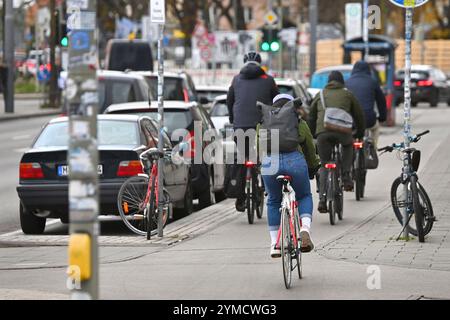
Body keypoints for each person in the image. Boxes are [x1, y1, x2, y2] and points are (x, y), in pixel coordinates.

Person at [260, 93, 320, 258]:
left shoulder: (263, 124)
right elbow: (309, 149)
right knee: (304, 196)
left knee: (273, 200)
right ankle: (304, 229)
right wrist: (313, 168)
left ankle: (275, 244)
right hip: (295, 162)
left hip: (270, 164)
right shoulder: (300, 124)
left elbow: (259, 149)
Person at [226, 51, 279, 212]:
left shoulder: (236, 79)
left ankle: (240, 199)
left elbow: (230, 100)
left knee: (243, 159)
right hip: (262, 126)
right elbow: (276, 101)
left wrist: (232, 118)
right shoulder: (268, 80)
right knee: (265, 157)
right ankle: (265, 187)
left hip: (240, 125)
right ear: (260, 63)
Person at [308, 71, 365, 213]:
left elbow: (311, 116)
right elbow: (358, 115)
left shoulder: (320, 94)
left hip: (323, 133)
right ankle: (346, 176)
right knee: (347, 145)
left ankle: (322, 199)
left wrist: (314, 133)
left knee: (324, 164)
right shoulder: (347, 94)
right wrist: (359, 133)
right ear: (342, 82)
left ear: (328, 81)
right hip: (342, 132)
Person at [345, 60, 387, 147]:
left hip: (351, 120)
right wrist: (382, 117)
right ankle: (373, 149)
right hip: (369, 120)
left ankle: (351, 148)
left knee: (351, 132)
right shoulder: (373, 82)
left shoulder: (347, 82)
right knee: (375, 129)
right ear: (368, 69)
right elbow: (381, 101)